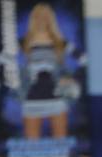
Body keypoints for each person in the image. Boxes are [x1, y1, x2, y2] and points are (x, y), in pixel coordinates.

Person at [20, 3, 80, 139]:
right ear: (33, 18)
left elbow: (83, 60)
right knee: (31, 149)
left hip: (57, 99)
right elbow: (2, 59)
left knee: (61, 148)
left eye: (46, 16)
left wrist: (70, 77)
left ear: (50, 19)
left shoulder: (61, 42)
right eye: (39, 16)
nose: (42, 19)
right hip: (32, 100)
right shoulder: (23, 42)